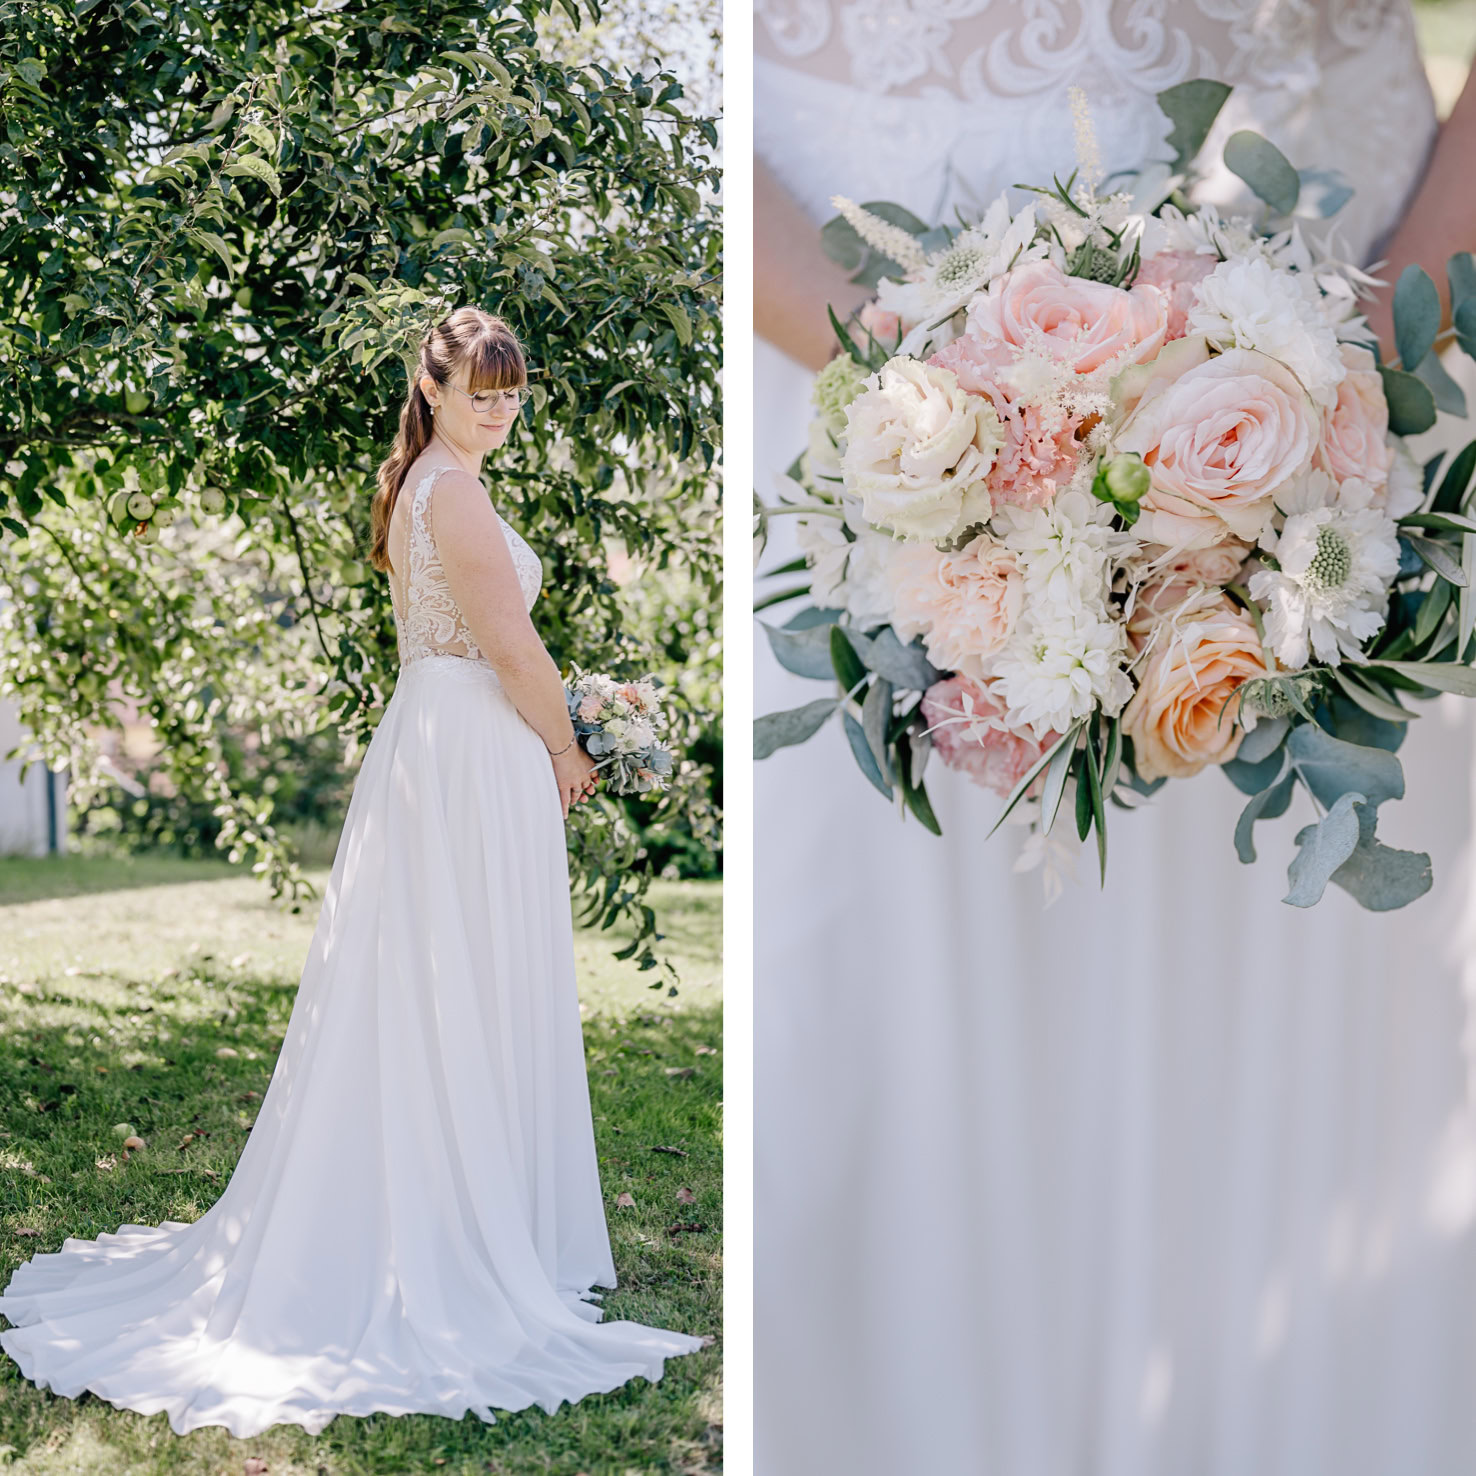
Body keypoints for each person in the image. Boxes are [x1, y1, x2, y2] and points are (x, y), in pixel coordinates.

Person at [755, 8, 1476, 1473]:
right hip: (871, 360)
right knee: (903, 1078)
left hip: (1371, 343)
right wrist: (924, 389)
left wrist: (1361, 359)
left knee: (1329, 1077)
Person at [0, 307, 705, 1437]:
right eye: (483, 390)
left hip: (447, 739)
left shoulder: (431, 483)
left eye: (513, 391)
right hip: (466, 748)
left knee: (446, 983)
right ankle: (448, 1226)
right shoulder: (453, 492)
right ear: (431, 388)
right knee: (455, 981)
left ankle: (489, 1211)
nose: (501, 408)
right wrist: (572, 744)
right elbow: (511, 647)